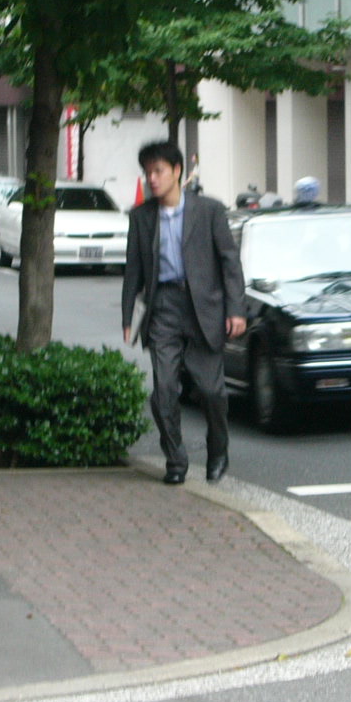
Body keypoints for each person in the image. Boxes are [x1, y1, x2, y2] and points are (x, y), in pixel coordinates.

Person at [122, 141, 246, 485]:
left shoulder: (209, 211)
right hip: (163, 307)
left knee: (212, 391)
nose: (152, 178)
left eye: (158, 171)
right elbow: (133, 270)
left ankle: (218, 449)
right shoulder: (141, 217)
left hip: (203, 308)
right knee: (164, 391)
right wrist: (127, 316)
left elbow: (230, 262)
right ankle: (175, 460)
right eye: (147, 172)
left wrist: (236, 309)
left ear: (177, 171)